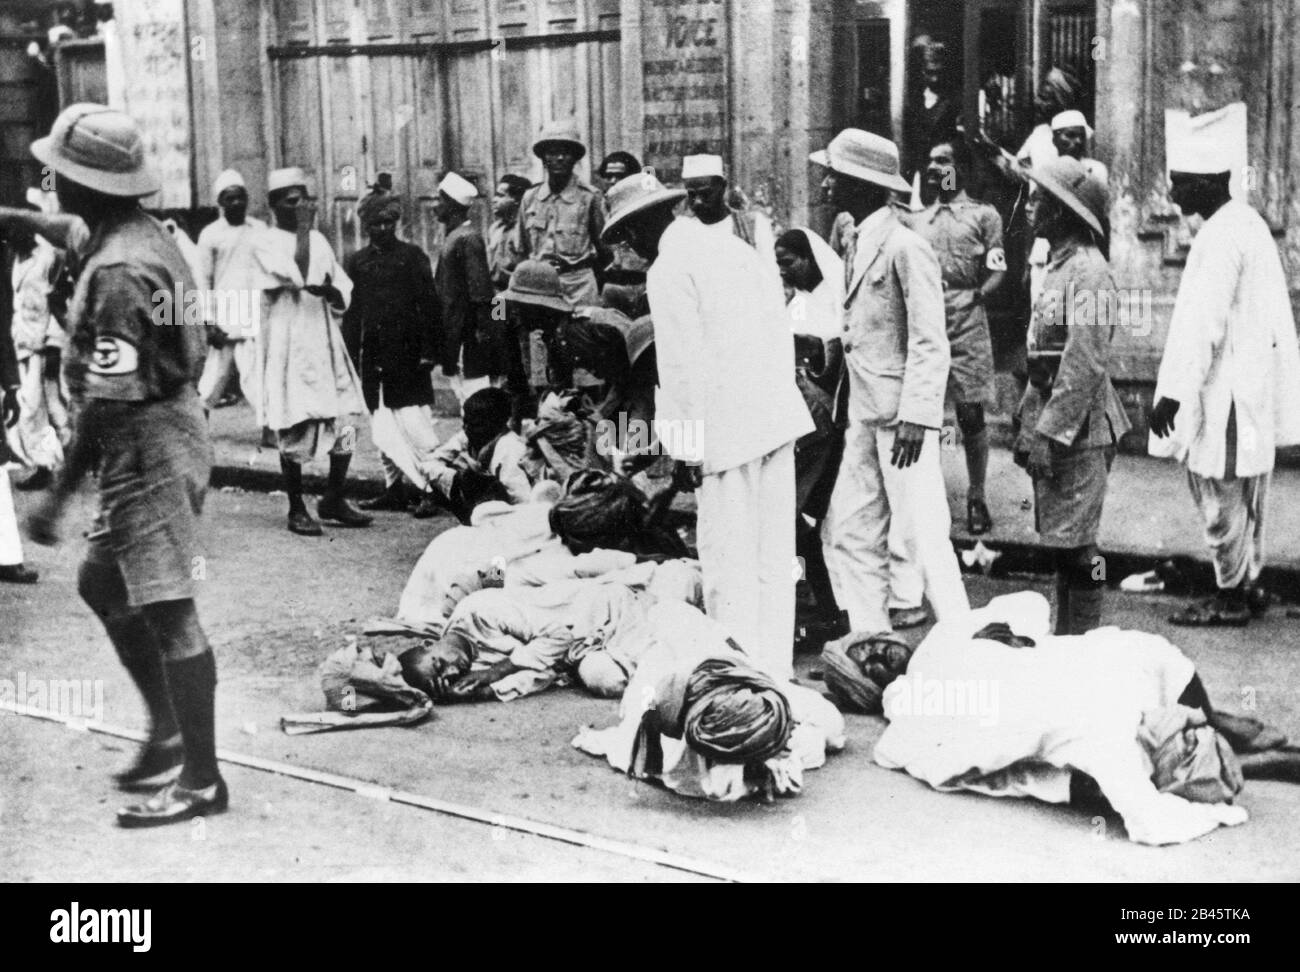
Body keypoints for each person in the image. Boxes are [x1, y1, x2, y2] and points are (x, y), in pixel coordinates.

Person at [22, 103, 224, 825]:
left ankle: (201, 778)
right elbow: (58, 226)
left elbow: (106, 404)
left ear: (85, 186)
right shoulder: (132, 231)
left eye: (58, 172)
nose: (49, 180)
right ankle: (169, 728)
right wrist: (11, 216)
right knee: (102, 580)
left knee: (169, 610)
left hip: (145, 438)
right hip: (148, 429)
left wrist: (56, 498)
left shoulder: (117, 270)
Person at [603, 172, 813, 681]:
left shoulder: (670, 268)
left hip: (724, 431)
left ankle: (737, 680)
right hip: (774, 418)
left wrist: (687, 447)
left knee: (726, 563)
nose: (628, 246)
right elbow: (777, 330)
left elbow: (681, 366)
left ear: (638, 230)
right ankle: (774, 674)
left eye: (628, 235)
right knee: (772, 558)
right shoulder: (733, 246)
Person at [873, 592, 1267, 846]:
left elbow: (1031, 605)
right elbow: (1149, 822)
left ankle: (1214, 724)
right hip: (1056, 717)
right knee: (1100, 733)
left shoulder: (945, 636)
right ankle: (1224, 741)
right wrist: (1211, 813)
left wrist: (1007, 634)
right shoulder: (905, 711)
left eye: (867, 646)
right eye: (867, 667)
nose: (879, 656)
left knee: (1139, 649)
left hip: (1061, 670)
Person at [811, 129, 969, 636]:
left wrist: (917, 417)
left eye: (835, 176)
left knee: (924, 533)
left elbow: (930, 340)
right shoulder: (858, 241)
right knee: (848, 527)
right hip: (861, 411)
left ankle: (963, 642)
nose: (827, 186)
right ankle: (869, 639)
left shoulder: (906, 247)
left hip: (900, 419)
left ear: (861, 183)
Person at [1150, 118, 1300, 627]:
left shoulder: (1223, 234)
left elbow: (1203, 324)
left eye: (1179, 180)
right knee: (1244, 495)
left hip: (1231, 393)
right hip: (1245, 386)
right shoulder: (1245, 223)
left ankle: (1232, 595)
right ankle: (1246, 584)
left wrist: (1172, 394)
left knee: (1219, 496)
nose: (1171, 191)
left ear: (1209, 182)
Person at [1013, 156, 1130, 635]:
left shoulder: (1090, 273)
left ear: (1063, 211)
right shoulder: (1059, 267)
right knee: (1064, 544)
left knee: (1082, 550)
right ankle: (1070, 638)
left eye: (1040, 197)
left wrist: (1049, 434)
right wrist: (1028, 421)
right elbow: (1042, 357)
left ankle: (1089, 630)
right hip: (1059, 422)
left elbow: (1084, 366)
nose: (1029, 203)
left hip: (1082, 430)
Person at [572, 600, 845, 803]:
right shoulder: (662, 711)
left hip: (721, 669)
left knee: (828, 727)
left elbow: (829, 731)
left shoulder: (765, 697)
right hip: (687, 678)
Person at [256, 166, 371, 536]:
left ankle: (334, 496)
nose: (302, 206)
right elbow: (299, 276)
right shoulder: (265, 242)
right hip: (291, 342)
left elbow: (338, 284)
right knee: (295, 423)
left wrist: (334, 292)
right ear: (274, 205)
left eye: (305, 199)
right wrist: (305, 230)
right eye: (292, 201)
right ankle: (296, 507)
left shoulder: (319, 240)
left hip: (324, 338)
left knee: (348, 419)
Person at [903, 138, 1007, 535]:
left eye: (942, 160)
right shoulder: (916, 220)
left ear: (960, 169)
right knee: (923, 412)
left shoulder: (984, 216)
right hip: (927, 323)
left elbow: (997, 268)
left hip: (967, 323)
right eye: (929, 160)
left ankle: (976, 496)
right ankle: (925, 501)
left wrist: (979, 294)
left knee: (970, 414)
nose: (932, 168)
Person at [342, 187, 443, 519]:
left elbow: (430, 306)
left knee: (416, 427)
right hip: (372, 355)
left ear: (396, 222)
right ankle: (394, 489)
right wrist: (348, 358)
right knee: (381, 427)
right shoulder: (357, 262)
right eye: (375, 224)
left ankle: (433, 489)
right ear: (366, 226)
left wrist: (430, 351)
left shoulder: (413, 257)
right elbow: (352, 315)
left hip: (409, 354)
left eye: (387, 223)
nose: (382, 229)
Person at [772, 227, 846, 642]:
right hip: (797, 419)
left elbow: (837, 355)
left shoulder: (836, 297)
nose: (785, 271)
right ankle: (815, 603)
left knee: (804, 517)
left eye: (789, 262)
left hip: (825, 420)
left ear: (811, 258)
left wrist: (814, 349)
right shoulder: (796, 303)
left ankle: (827, 608)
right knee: (797, 517)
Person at [4, 208, 69, 491]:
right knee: (50, 406)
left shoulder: (48, 257)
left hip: (45, 344)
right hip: (25, 341)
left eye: (13, 232)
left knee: (35, 408)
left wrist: (54, 344)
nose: (9, 239)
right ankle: (64, 461)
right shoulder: (15, 258)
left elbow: (57, 302)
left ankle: (47, 466)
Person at [194, 169, 267, 416]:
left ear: (247, 198)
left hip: (253, 313)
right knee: (214, 376)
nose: (236, 203)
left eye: (240, 197)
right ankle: (199, 424)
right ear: (220, 202)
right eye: (230, 198)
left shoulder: (259, 229)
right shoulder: (210, 235)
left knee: (257, 375)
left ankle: (270, 430)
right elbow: (202, 281)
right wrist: (208, 322)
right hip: (224, 316)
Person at [515, 120, 607, 308]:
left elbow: (605, 250)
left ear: (575, 158)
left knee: (582, 334)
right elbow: (522, 249)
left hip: (578, 286)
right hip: (539, 287)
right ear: (543, 158)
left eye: (565, 152)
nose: (559, 158)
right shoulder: (530, 198)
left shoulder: (589, 197)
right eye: (552, 152)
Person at [435, 171, 501, 403]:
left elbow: (482, 293)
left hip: (469, 332)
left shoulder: (468, 238)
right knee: (463, 391)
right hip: (457, 329)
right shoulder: (456, 236)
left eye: (440, 200)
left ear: (452, 204)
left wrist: (488, 330)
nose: (436, 206)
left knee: (475, 393)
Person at [427, 386, 532, 518]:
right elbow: (428, 463)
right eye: (464, 422)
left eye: (475, 424)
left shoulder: (510, 448)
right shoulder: (469, 434)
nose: (466, 428)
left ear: (496, 424)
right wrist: (455, 477)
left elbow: (523, 502)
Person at [680, 154, 778, 284]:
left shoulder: (753, 225)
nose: (698, 202)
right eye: (692, 195)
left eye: (705, 194)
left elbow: (771, 279)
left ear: (723, 187)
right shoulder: (684, 233)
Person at [500, 259, 574, 428]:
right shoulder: (502, 310)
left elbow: (563, 376)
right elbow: (510, 367)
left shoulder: (564, 327)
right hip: (520, 383)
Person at [487, 173, 530, 292]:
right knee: (498, 311)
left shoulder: (527, 230)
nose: (494, 200)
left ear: (517, 200)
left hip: (520, 293)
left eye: (500, 196)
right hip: (498, 293)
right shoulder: (495, 228)